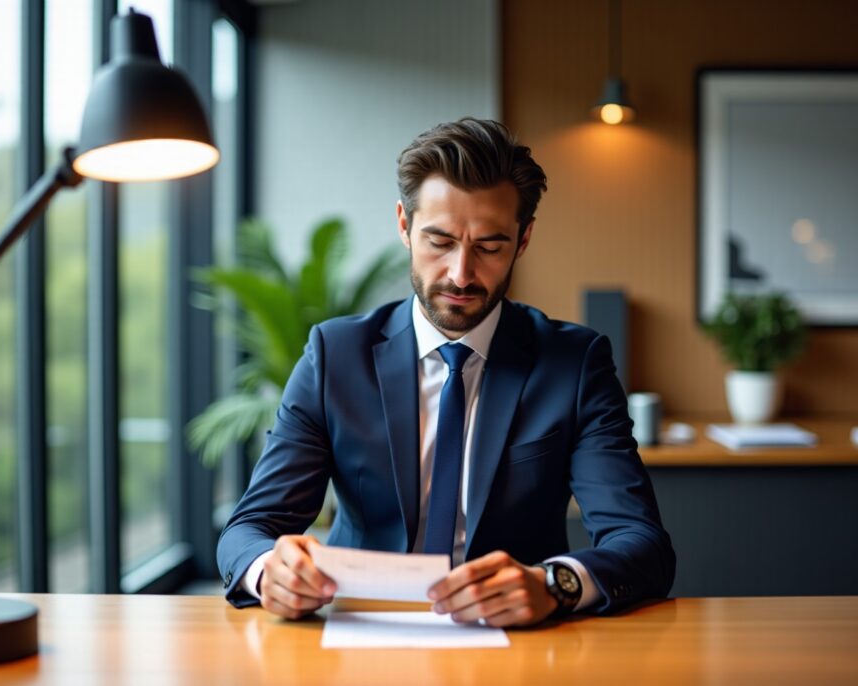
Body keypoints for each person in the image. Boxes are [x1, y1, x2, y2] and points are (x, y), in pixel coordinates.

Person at [217, 118, 675, 627]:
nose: (461, 273)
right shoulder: (335, 355)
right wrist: (269, 572)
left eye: (489, 246)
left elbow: (643, 544)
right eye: (439, 242)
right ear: (404, 225)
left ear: (523, 241)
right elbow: (250, 528)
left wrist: (553, 584)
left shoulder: (575, 363)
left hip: (516, 644)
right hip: (356, 630)